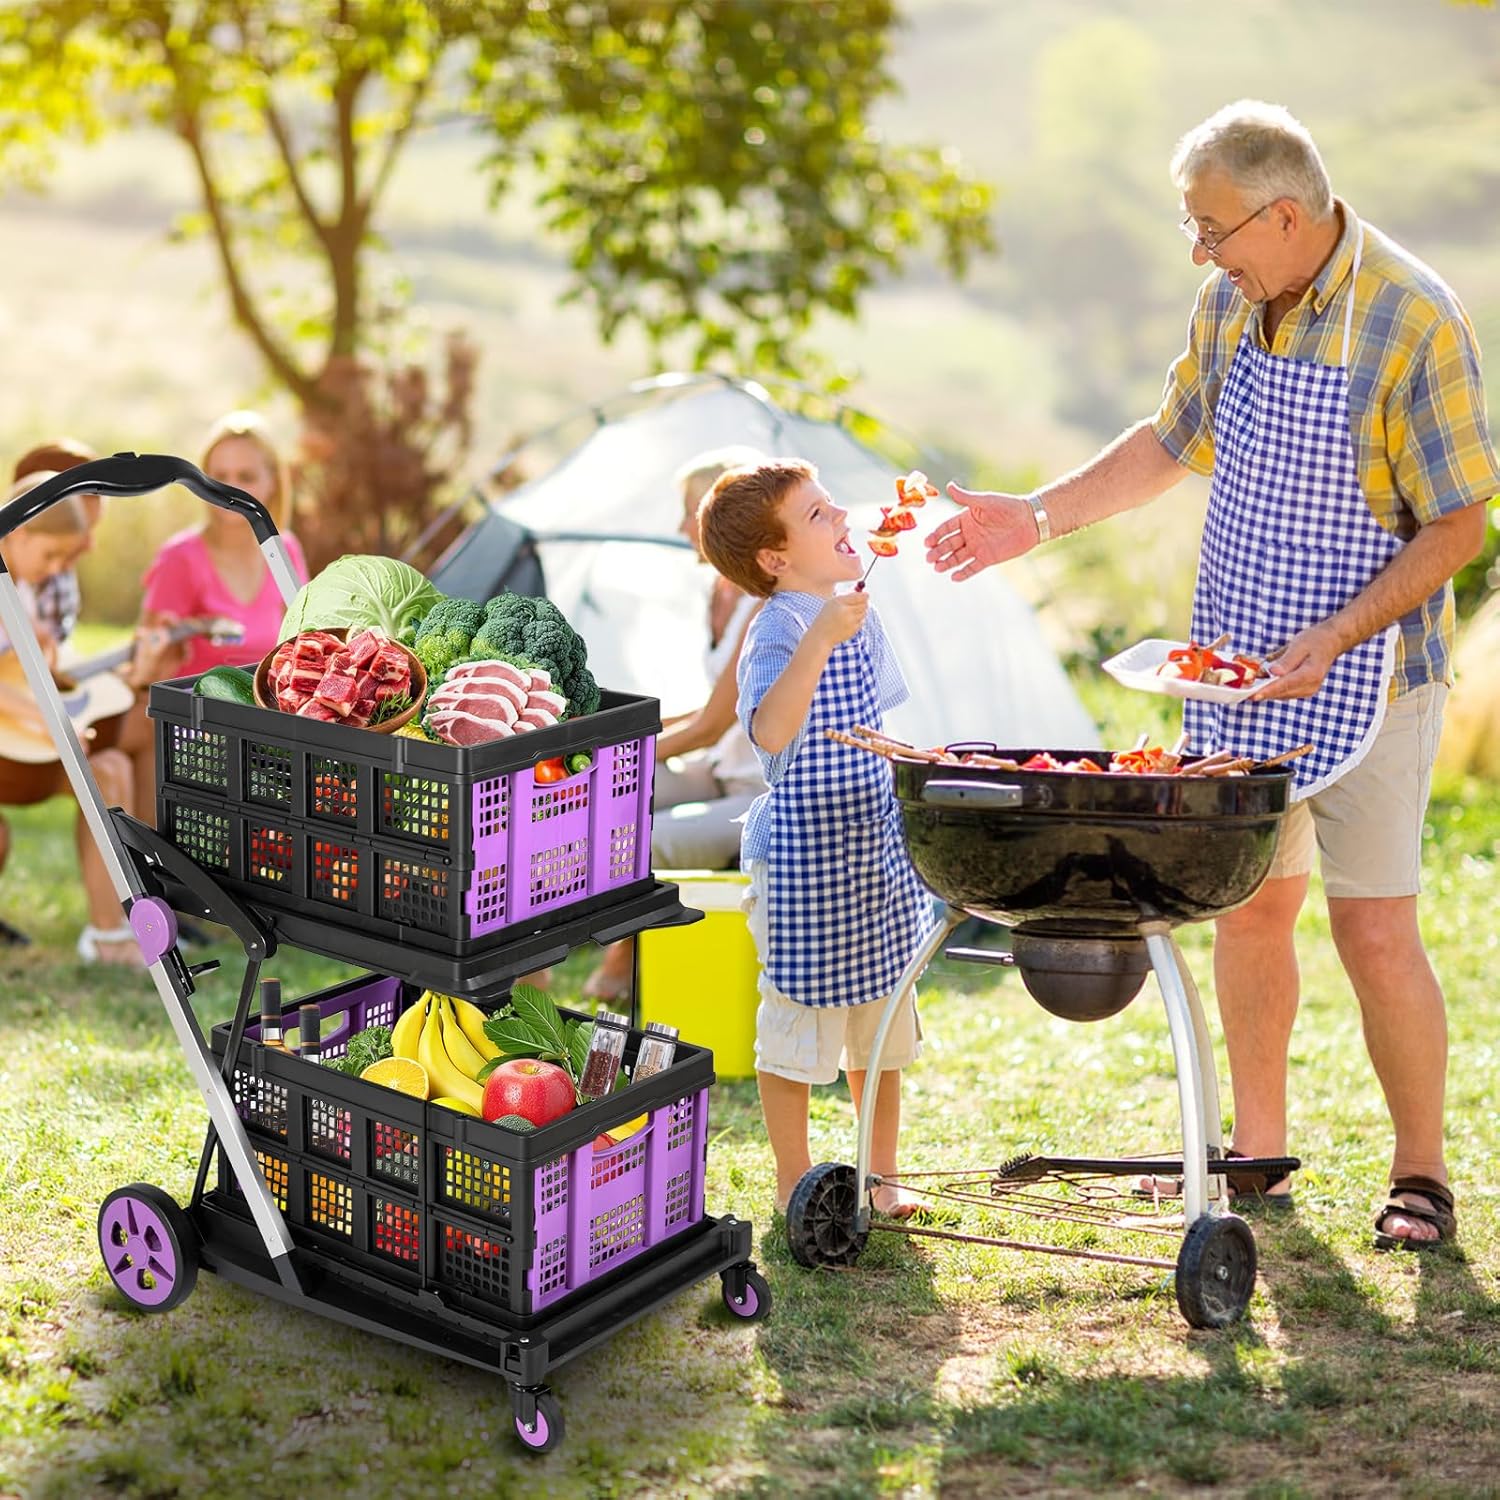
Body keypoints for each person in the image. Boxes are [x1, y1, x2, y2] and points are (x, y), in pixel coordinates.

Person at [924, 101, 1497, 1250]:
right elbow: (1171, 437)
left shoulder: (1413, 317)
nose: (1202, 251)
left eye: (1213, 228)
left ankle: (1422, 1177)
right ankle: (1253, 1157)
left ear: (1285, 214)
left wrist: (1333, 635)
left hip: (1372, 672)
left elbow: (1460, 527)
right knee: (1248, 909)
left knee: (1375, 930)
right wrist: (1031, 520)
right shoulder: (1235, 296)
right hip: (1235, 668)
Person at [699, 458, 934, 1217]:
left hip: (872, 846)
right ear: (774, 560)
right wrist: (818, 644)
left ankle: (882, 1172)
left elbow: (868, 725)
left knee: (883, 1025)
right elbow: (769, 730)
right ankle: (795, 1177)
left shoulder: (852, 609)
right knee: (796, 1026)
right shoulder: (778, 629)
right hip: (805, 857)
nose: (841, 522)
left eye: (834, 508)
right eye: (818, 516)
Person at [583, 446, 769, 1000]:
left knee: (648, 839)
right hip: (719, 771)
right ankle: (541, 953)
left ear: (721, 516)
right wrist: (623, 735)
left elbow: (715, 723)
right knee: (597, 793)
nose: (678, 525)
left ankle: (624, 958)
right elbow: (713, 706)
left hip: (759, 792)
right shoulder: (719, 589)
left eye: (689, 510)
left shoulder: (762, 605)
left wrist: (636, 750)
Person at [120, 410, 308, 824]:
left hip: (268, 718)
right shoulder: (181, 557)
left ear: (273, 479)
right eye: (219, 475)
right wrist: (159, 648)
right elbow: (143, 664)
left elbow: (302, 641)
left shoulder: (284, 550)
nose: (230, 490)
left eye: (246, 476)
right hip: (194, 723)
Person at [0, 473, 140, 965]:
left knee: (112, 770)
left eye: (66, 558)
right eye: (50, 555)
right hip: (16, 743)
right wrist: (50, 722)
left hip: (25, 743)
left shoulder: (30, 589)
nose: (58, 568)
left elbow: (39, 674)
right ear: (17, 533)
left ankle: (109, 933)